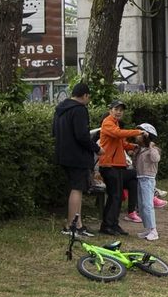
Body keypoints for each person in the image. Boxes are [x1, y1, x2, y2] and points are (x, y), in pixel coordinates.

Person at [52, 80, 98, 236]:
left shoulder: (60, 109)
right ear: (84, 96)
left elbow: (55, 131)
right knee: (77, 189)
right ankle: (71, 225)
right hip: (77, 156)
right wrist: (96, 148)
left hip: (63, 154)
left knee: (75, 187)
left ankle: (78, 224)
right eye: (88, 97)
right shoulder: (79, 110)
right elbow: (82, 136)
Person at [96, 101, 142, 236]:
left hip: (117, 165)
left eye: (121, 110)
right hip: (109, 165)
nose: (118, 112)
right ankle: (107, 225)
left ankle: (114, 224)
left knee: (118, 195)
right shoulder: (108, 122)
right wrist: (138, 132)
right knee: (114, 196)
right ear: (110, 110)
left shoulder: (115, 124)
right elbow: (118, 134)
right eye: (116, 109)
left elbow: (122, 143)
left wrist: (134, 146)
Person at [132, 124, 162, 242]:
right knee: (142, 205)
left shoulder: (153, 149)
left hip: (148, 179)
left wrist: (151, 147)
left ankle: (153, 230)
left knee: (148, 205)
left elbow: (155, 159)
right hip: (140, 177)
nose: (136, 136)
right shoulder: (140, 150)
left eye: (140, 134)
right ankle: (147, 228)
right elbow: (135, 164)